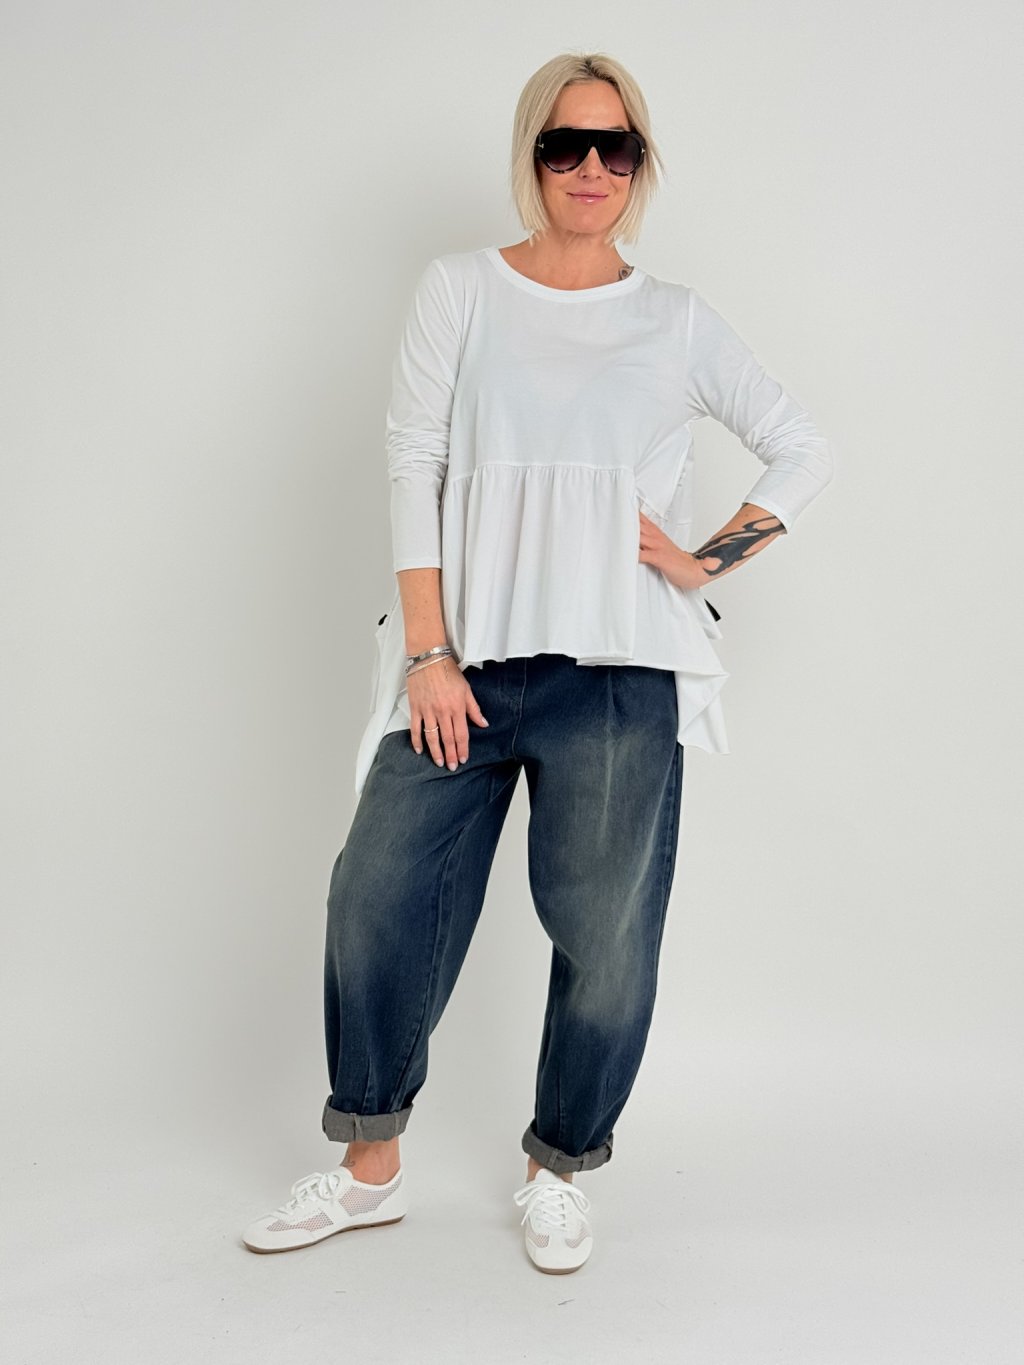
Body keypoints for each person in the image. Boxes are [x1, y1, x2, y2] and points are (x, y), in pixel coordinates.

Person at [241, 50, 834, 1275]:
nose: (590, 168)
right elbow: (415, 461)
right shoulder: (460, 289)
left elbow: (800, 448)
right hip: (460, 665)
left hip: (619, 674)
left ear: (639, 164)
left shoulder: (674, 319)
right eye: (566, 145)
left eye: (615, 147)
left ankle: (558, 1170)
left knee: (605, 939)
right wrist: (429, 652)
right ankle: (369, 1171)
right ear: (532, 156)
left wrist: (704, 559)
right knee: (374, 895)